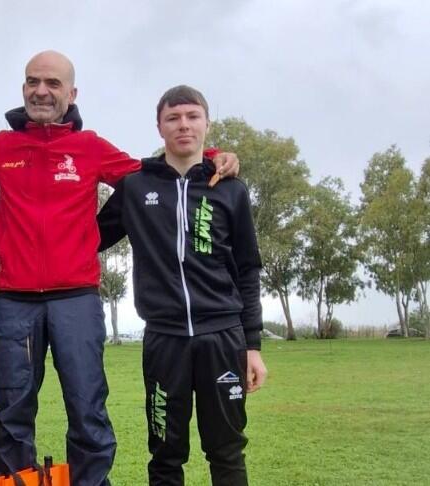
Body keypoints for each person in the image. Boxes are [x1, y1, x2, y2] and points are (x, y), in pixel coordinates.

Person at [0, 51, 239, 485]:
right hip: (16, 303)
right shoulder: (1, 147)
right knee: (13, 413)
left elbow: (156, 174)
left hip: (77, 301)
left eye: (53, 83)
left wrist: (210, 155)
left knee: (87, 410)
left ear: (71, 93)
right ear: (23, 88)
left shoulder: (90, 147)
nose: (41, 91)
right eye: (33, 81)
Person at [97, 85, 268, 485]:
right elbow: (86, 237)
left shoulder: (231, 189)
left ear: (207, 124)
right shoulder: (136, 187)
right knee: (165, 454)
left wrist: (252, 346)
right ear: (159, 127)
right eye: (173, 118)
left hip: (223, 338)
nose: (183, 125)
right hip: (164, 341)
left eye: (193, 116)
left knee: (227, 451)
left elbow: (248, 269)